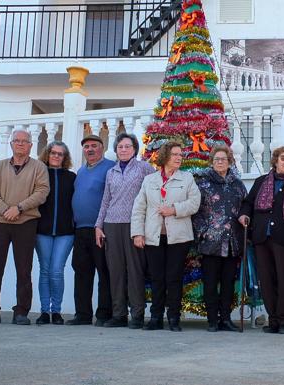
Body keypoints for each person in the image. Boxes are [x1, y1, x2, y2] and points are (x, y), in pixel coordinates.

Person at [0, 129, 49, 325]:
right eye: (17, 141)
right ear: (11, 144)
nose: (20, 144)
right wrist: (6, 209)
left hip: (26, 222)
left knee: (23, 269)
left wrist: (19, 208)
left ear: (31, 145)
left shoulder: (39, 167)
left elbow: (42, 192)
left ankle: (21, 311)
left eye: (25, 141)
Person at [131, 142, 201, 332]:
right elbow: (139, 208)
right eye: (175, 154)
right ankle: (155, 317)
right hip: (153, 237)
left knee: (174, 278)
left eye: (180, 154)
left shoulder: (187, 178)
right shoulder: (150, 180)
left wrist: (174, 210)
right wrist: (137, 233)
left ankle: (174, 318)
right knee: (156, 278)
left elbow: (195, 203)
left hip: (178, 238)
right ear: (164, 157)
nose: (179, 157)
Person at [239, 146, 284, 335]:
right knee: (267, 280)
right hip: (261, 237)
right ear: (276, 161)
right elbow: (248, 203)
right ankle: (274, 320)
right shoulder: (262, 181)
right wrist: (244, 215)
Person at [95, 133, 155, 329]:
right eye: (120, 146)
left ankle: (137, 314)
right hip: (112, 225)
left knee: (136, 270)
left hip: (134, 225)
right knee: (116, 271)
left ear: (135, 149)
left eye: (127, 146)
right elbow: (105, 200)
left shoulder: (144, 168)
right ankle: (119, 314)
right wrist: (99, 226)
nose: (123, 150)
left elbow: (151, 197)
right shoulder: (111, 172)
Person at [192, 145, 247, 332]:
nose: (220, 162)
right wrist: (202, 232)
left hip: (232, 242)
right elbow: (195, 211)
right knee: (210, 283)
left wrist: (245, 217)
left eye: (223, 159)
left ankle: (225, 318)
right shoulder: (203, 183)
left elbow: (245, 206)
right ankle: (212, 320)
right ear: (211, 161)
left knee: (228, 283)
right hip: (210, 242)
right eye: (216, 159)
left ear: (229, 161)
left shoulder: (237, 184)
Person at [67, 134, 115, 326]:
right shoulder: (81, 171)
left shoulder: (110, 168)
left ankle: (104, 314)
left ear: (102, 148)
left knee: (104, 273)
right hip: (80, 231)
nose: (90, 149)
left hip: (100, 230)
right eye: (86, 146)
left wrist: (101, 225)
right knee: (81, 273)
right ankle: (83, 315)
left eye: (94, 145)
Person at [34, 141, 76, 325]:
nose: (56, 156)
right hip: (42, 230)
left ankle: (56, 311)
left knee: (56, 271)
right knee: (44, 271)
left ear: (65, 158)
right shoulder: (39, 175)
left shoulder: (71, 177)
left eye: (61, 154)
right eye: (53, 153)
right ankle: (44, 311)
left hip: (65, 232)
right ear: (47, 154)